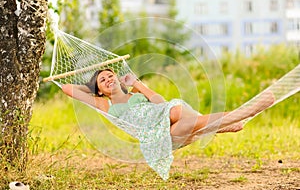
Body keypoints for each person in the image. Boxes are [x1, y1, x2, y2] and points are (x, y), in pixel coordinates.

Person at [62, 68, 275, 179]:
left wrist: (136, 83)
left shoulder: (135, 93)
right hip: (157, 136)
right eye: (104, 80)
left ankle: (231, 121)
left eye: (111, 76)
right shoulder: (103, 104)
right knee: (191, 120)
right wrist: (93, 86)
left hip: (167, 117)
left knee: (180, 113)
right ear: (99, 90)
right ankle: (242, 114)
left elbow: (159, 102)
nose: (109, 79)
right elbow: (67, 89)